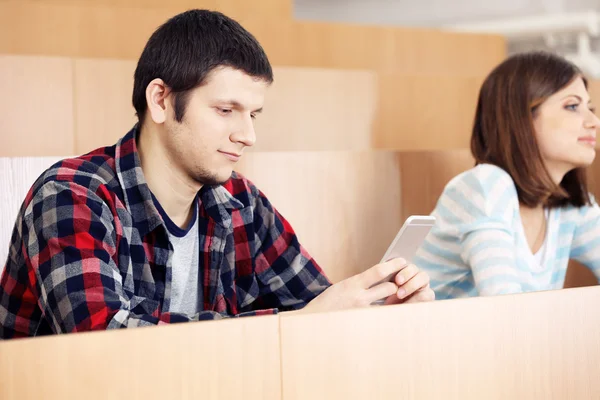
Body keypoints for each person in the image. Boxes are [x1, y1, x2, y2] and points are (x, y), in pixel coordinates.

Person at [0, 9, 434, 339]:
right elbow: (102, 342)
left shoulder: (242, 203)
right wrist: (298, 323)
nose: (247, 135)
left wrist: (375, 308)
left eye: (254, 115)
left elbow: (316, 307)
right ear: (161, 101)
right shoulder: (71, 197)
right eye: (226, 110)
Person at [413, 51, 600, 300]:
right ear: (521, 119)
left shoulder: (569, 208)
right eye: (573, 106)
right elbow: (506, 308)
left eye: (591, 108)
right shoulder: (486, 186)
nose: (594, 121)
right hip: (420, 337)